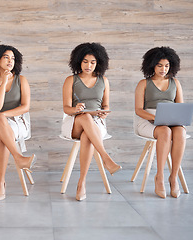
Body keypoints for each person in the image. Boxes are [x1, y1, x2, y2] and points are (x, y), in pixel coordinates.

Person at [61, 42, 122, 201]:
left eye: (93, 62)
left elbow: (106, 105)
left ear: (99, 63)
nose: (89, 65)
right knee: (85, 117)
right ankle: (106, 158)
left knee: (87, 135)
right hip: (75, 122)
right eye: (85, 61)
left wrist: (104, 113)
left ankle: (82, 183)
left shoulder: (104, 81)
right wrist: (76, 109)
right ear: (79, 61)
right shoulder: (71, 80)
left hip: (96, 123)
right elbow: (66, 108)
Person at [0, 44, 36, 202]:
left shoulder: (21, 80)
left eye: (13, 58)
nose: (10, 61)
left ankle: (1, 183)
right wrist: (4, 81)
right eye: (6, 57)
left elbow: (25, 107)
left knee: (1, 135)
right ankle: (19, 158)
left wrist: (3, 115)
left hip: (18, 122)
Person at [134, 46, 185, 199]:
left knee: (180, 132)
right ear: (152, 65)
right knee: (164, 131)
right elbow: (138, 110)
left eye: (167, 65)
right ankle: (160, 177)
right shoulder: (143, 83)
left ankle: (173, 177)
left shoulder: (175, 83)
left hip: (171, 120)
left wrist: (174, 118)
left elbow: (180, 107)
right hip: (148, 121)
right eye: (159, 65)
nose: (163, 69)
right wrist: (156, 119)